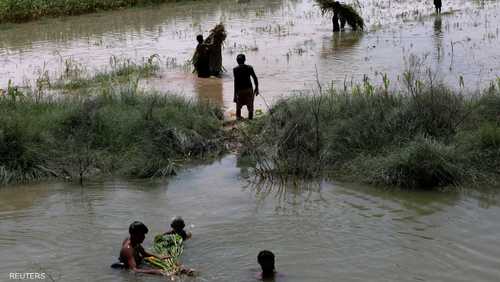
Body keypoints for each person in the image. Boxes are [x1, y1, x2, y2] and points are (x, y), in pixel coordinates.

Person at [233, 54, 259, 120]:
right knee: (250, 108)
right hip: (249, 90)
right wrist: (256, 88)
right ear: (244, 60)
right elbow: (255, 78)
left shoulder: (235, 69)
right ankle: (250, 120)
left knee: (238, 108)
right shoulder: (249, 68)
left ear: (237, 61)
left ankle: (238, 119)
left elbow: (235, 83)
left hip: (240, 90)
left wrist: (235, 96)